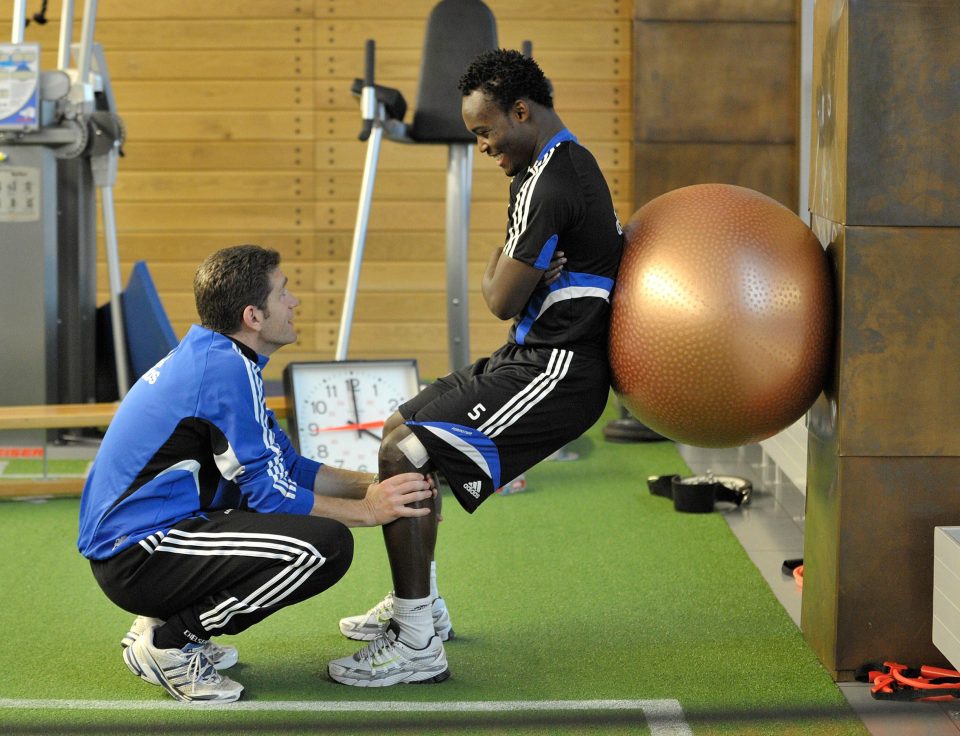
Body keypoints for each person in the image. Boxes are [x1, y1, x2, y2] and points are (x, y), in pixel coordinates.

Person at [328, 49, 623, 687]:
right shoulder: (539, 169)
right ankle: (422, 607)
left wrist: (498, 270)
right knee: (398, 429)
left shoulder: (555, 181)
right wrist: (504, 267)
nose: (483, 146)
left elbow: (498, 299)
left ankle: (414, 645)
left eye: (486, 130)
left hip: (558, 370)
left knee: (408, 453)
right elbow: (509, 290)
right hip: (530, 353)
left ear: (522, 111)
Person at [77, 245, 436, 703]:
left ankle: (155, 623)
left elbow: (289, 468)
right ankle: (169, 644)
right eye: (283, 293)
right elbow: (272, 496)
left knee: (292, 522)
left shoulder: (220, 358)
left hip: (146, 543)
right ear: (254, 316)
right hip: (137, 556)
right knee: (323, 547)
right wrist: (367, 511)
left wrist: (378, 483)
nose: (294, 303)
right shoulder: (224, 370)